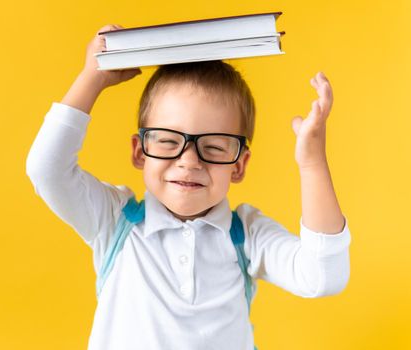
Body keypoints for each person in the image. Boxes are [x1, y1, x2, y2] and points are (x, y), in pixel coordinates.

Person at [25, 24, 351, 350]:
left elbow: (322, 276)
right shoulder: (115, 222)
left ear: (238, 164)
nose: (189, 160)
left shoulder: (247, 235)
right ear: (140, 152)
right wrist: (91, 78)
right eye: (168, 141)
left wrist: (312, 164)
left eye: (213, 147)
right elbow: (47, 170)